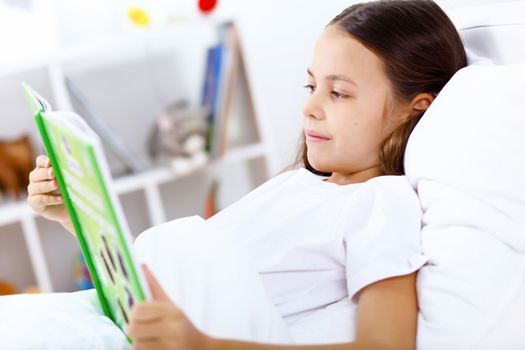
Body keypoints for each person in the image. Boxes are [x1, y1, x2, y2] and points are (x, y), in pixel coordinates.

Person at [26, 0, 467, 349]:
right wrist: (77, 218)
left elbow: (385, 344)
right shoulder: (301, 183)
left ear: (416, 110)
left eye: (338, 93)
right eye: (311, 86)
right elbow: (182, 272)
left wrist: (204, 346)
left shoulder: (380, 202)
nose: (310, 106)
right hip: (130, 318)